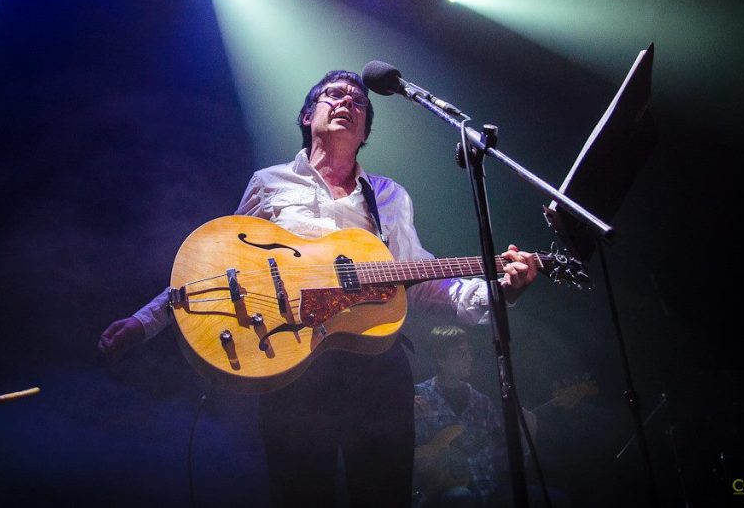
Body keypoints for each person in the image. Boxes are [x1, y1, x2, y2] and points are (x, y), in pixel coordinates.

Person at [98, 70, 538, 506]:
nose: (348, 102)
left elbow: (421, 280)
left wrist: (496, 289)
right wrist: (146, 320)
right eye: (334, 95)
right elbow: (219, 264)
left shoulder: (389, 196)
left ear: (365, 132)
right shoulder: (269, 183)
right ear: (308, 116)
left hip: (375, 366)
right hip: (294, 363)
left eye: (359, 101)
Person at [413, 325, 538, 507]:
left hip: (489, 491)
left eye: (469, 352)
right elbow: (407, 453)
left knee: (554, 498)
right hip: (442, 493)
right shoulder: (419, 396)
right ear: (440, 359)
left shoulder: (482, 403)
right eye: (460, 353)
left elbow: (502, 461)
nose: (469, 358)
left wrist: (526, 441)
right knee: (459, 497)